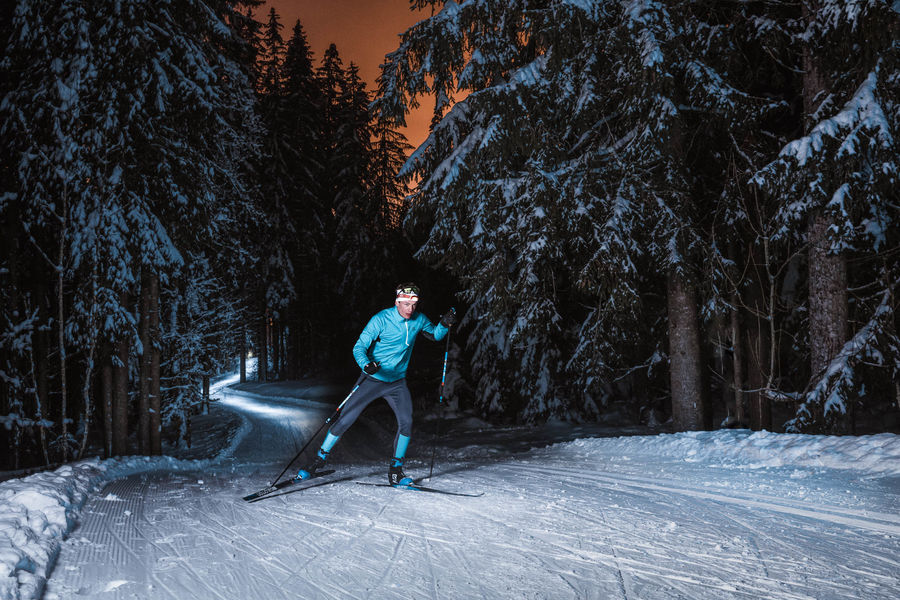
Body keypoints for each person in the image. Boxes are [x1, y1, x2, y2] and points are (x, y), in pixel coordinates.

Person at [298, 282, 457, 486]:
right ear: (397, 302)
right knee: (346, 418)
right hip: (373, 379)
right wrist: (366, 364)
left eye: (414, 304)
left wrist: (444, 324)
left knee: (406, 421)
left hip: (397, 382)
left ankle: (396, 471)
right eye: (406, 304)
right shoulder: (381, 319)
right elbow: (359, 347)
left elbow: (435, 335)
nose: (411, 309)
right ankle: (318, 460)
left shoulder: (418, 319)